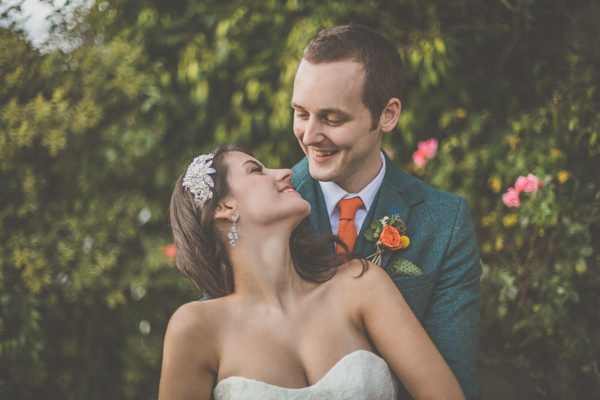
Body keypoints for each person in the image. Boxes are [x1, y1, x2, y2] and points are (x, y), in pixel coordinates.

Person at [158, 144, 465, 400]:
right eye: (256, 170)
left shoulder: (361, 283)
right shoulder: (196, 328)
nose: (285, 172)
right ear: (223, 206)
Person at [290, 24, 482, 399]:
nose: (310, 135)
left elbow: (454, 380)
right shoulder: (261, 207)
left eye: (332, 118)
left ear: (388, 115)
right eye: (300, 113)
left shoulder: (445, 221)